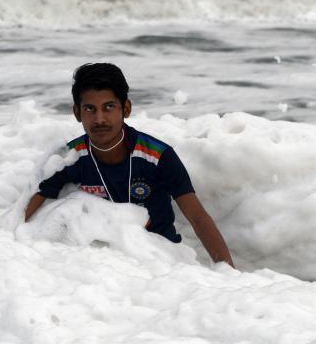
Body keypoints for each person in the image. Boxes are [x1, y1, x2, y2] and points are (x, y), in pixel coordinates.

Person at [24, 63, 234, 267]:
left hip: (162, 261)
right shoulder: (69, 156)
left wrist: (228, 272)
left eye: (108, 107)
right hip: (103, 265)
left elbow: (198, 218)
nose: (99, 119)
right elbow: (29, 207)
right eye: (90, 109)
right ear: (78, 113)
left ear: (126, 108)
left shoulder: (158, 156)